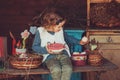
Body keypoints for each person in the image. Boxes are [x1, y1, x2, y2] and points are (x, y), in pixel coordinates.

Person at [32, 10, 88, 80]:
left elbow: (68, 38)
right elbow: (35, 47)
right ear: (50, 24)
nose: (61, 28)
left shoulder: (60, 30)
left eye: (62, 26)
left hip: (63, 54)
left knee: (68, 68)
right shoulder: (40, 31)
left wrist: (79, 42)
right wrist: (45, 50)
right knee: (56, 69)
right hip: (49, 57)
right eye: (59, 26)